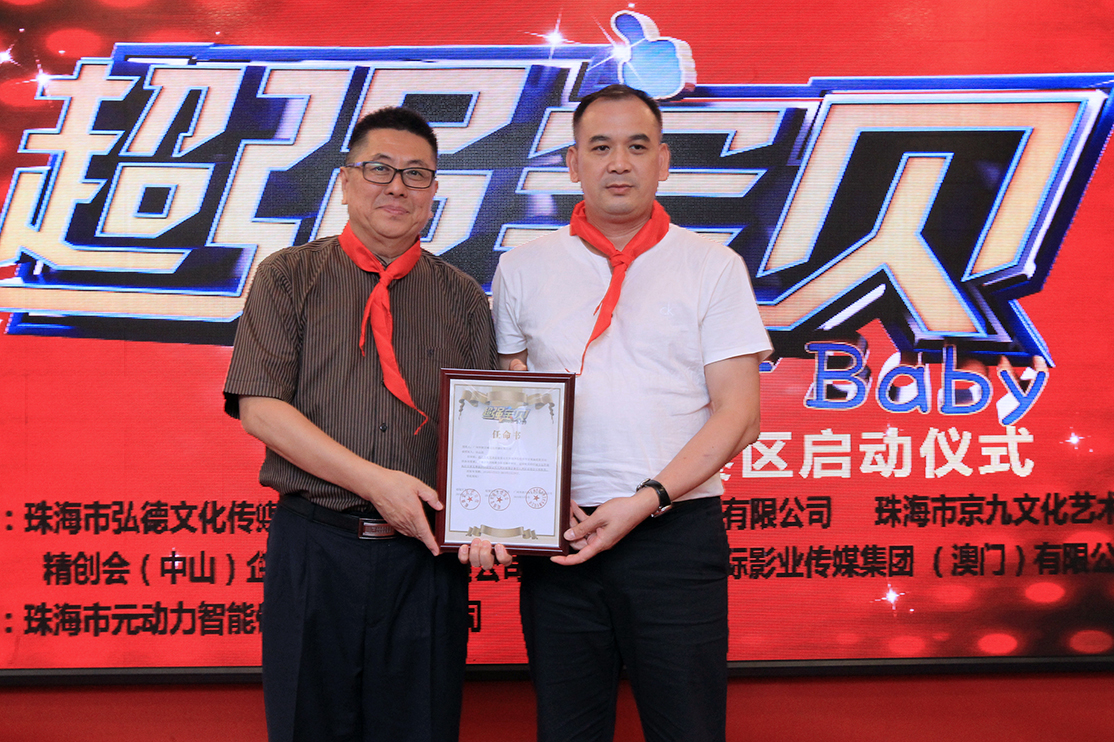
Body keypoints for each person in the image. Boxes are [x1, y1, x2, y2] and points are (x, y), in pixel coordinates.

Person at [491, 84, 772, 742]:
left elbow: (740, 415)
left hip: (675, 536)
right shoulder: (522, 269)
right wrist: (531, 495)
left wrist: (647, 500)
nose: (619, 162)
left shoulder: (713, 266)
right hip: (562, 537)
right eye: (600, 147)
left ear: (663, 161)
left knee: (687, 729)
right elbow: (510, 401)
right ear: (573, 164)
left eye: (637, 146)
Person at [223, 106, 498, 742]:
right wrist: (378, 483)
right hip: (315, 549)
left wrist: (495, 514)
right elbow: (260, 408)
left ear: (434, 192)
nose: (397, 187)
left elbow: (486, 430)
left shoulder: (463, 297)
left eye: (416, 174)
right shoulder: (288, 276)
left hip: (426, 558)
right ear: (346, 181)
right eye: (379, 169)